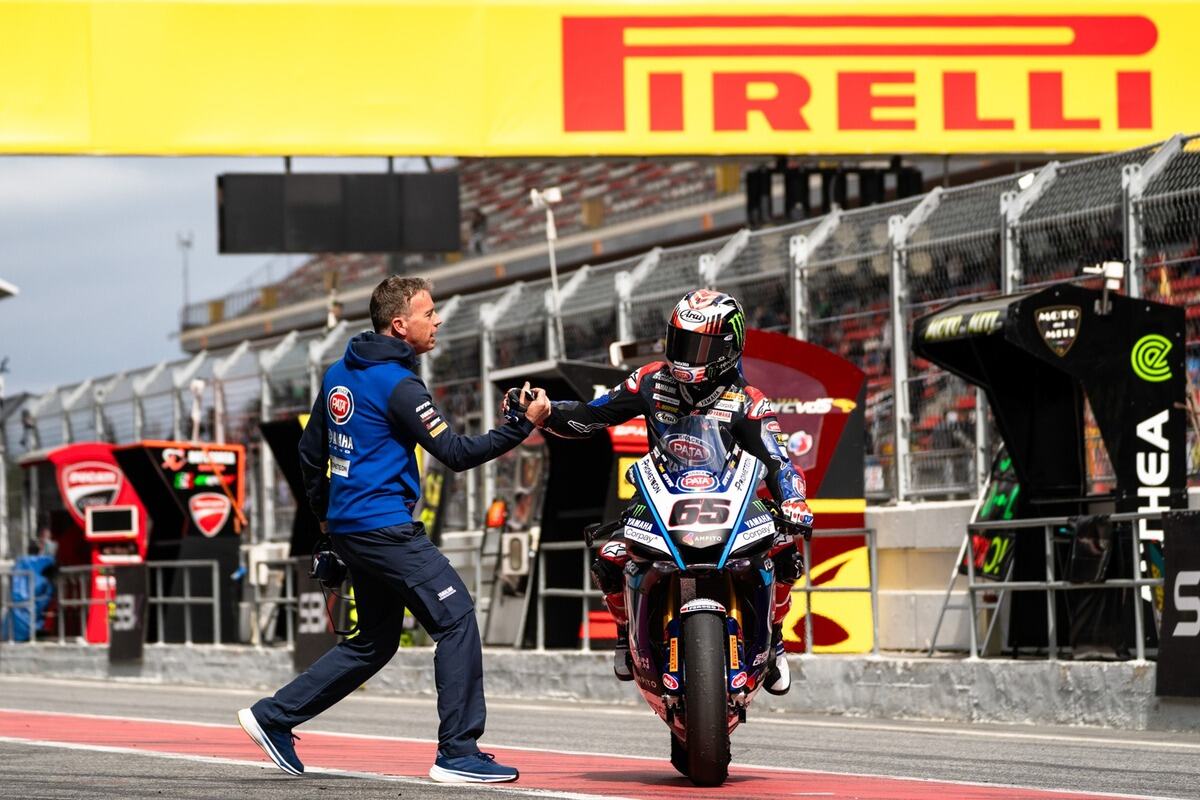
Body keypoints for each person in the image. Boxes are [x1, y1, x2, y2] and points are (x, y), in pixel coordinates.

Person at [238, 276, 538, 784]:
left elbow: (311, 453)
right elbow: (456, 454)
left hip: (354, 530)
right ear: (400, 325)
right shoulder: (399, 385)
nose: (437, 319)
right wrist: (520, 426)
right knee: (457, 617)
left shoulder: (340, 372)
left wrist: (328, 520)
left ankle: (273, 716)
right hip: (387, 530)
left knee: (373, 642)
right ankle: (457, 753)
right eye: (429, 312)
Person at [522, 289, 813, 694]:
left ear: (727, 349)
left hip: (732, 502)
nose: (684, 354)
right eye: (679, 340)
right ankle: (625, 634)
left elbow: (780, 461)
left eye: (697, 345)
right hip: (658, 499)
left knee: (784, 551)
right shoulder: (650, 380)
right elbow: (592, 415)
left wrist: (793, 501)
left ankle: (774, 634)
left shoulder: (748, 402)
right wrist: (549, 412)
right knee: (610, 556)